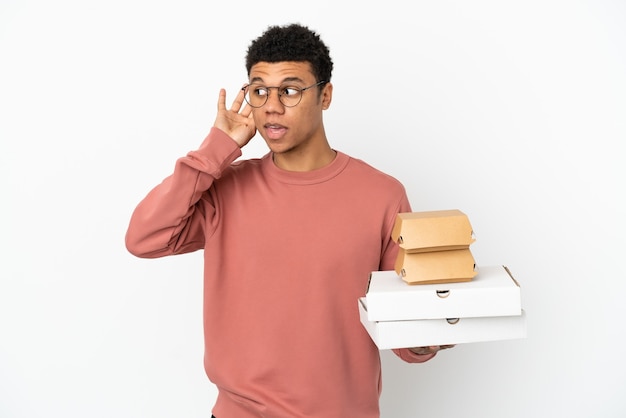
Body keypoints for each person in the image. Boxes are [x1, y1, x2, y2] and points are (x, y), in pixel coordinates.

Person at [125, 23, 452, 418]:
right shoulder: (226, 187)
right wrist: (216, 148)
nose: (272, 106)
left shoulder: (383, 195)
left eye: (290, 90)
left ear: (325, 95)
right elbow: (144, 238)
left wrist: (424, 342)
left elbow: (401, 328)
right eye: (259, 90)